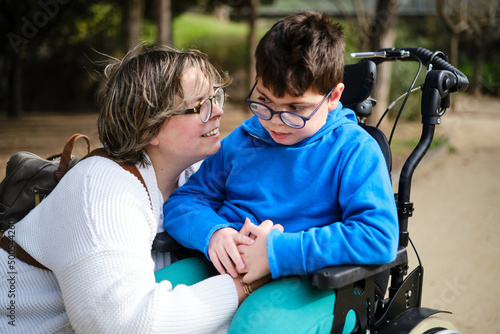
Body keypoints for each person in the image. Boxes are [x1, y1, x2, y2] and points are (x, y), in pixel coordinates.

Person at [0, 44, 277, 334]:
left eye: (215, 97)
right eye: (201, 106)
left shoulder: (194, 173)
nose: (219, 112)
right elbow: (123, 325)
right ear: (149, 130)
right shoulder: (102, 190)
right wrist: (243, 284)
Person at [164, 11, 399, 333]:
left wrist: (277, 252)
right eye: (264, 100)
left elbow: (378, 236)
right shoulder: (243, 140)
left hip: (316, 283)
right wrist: (214, 232)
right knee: (155, 297)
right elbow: (185, 201)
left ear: (333, 97)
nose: (275, 120)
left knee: (255, 325)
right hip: (230, 262)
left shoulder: (353, 150)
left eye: (295, 109)